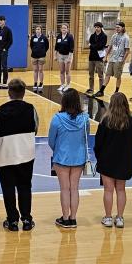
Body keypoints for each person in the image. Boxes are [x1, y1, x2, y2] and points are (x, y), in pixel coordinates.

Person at [0, 78, 38, 232]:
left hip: (5, 156)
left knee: (8, 188)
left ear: (9, 92)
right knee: (25, 186)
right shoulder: (31, 109)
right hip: (25, 153)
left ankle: (12, 221)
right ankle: (27, 219)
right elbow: (36, 128)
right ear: (24, 93)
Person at [94, 92, 132, 228]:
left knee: (108, 190)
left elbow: (98, 143)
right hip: (123, 161)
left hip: (107, 160)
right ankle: (119, 218)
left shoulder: (105, 121)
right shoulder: (131, 122)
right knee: (121, 190)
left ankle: (108, 218)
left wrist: (99, 158)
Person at [48, 87, 90, 229]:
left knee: (65, 189)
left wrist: (58, 149)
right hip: (78, 158)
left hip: (61, 157)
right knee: (74, 189)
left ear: (64, 101)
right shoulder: (85, 119)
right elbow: (86, 138)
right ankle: (73, 218)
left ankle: (65, 219)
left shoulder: (57, 118)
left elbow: (51, 141)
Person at [105, 21, 130, 98]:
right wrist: (106, 56)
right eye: (116, 27)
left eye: (118, 27)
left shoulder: (126, 38)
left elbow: (127, 50)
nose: (117, 29)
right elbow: (110, 47)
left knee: (118, 76)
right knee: (107, 74)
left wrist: (123, 60)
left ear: (123, 28)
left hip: (119, 59)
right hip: (112, 58)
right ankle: (102, 90)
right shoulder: (114, 36)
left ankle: (116, 91)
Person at [85, 21, 108, 97]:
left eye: (98, 27)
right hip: (91, 57)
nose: (96, 28)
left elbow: (101, 46)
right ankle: (91, 88)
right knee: (91, 74)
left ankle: (101, 90)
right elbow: (89, 45)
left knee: (100, 75)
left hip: (99, 58)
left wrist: (92, 46)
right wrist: (93, 46)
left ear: (101, 27)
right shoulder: (92, 36)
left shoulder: (104, 36)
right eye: (95, 27)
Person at [53, 23, 74, 92]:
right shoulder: (59, 36)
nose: (64, 29)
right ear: (61, 29)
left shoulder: (70, 37)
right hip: (60, 55)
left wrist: (69, 58)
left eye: (65, 28)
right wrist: (55, 55)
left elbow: (71, 48)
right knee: (61, 71)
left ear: (67, 29)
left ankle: (68, 85)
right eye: (62, 28)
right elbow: (56, 47)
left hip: (68, 55)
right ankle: (62, 84)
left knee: (67, 71)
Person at [29, 26, 49, 91]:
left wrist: (43, 51)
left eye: (39, 29)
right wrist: (35, 50)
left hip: (41, 56)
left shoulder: (44, 38)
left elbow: (47, 46)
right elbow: (31, 45)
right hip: (34, 56)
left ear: (41, 30)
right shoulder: (33, 38)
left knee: (40, 70)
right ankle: (35, 83)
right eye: (36, 29)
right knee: (35, 70)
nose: (37, 30)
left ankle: (41, 83)